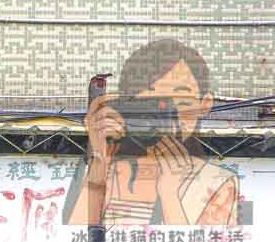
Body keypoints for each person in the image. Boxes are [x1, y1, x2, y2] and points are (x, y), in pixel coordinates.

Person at [67, 38, 240, 229]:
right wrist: (99, 157)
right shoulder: (109, 169)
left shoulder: (216, 181)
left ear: (205, 104)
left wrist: (169, 193)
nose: (161, 117)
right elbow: (75, 238)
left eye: (180, 99)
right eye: (150, 102)